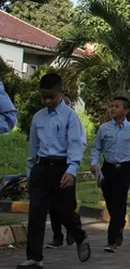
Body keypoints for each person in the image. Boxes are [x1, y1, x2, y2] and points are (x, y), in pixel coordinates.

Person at [20, 74, 91, 268]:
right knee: (36, 213)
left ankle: (79, 235)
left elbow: (76, 144)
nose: (48, 101)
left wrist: (72, 170)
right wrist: (29, 173)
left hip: (63, 169)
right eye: (44, 97)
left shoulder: (70, 116)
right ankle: (35, 257)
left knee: (64, 212)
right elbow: (33, 147)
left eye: (51, 96)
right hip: (41, 169)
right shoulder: (38, 117)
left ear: (61, 93)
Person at [90, 96, 130, 253]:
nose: (112, 109)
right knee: (110, 202)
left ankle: (112, 240)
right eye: (111, 106)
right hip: (107, 168)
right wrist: (94, 162)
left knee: (119, 201)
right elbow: (96, 148)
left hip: (125, 168)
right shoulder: (104, 128)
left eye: (116, 106)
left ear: (125, 110)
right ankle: (119, 223)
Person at [46, 94, 77, 250]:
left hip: (67, 166)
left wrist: (71, 168)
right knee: (52, 205)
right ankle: (57, 236)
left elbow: (79, 144)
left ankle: (73, 230)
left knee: (67, 205)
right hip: (48, 167)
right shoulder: (45, 120)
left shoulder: (73, 122)